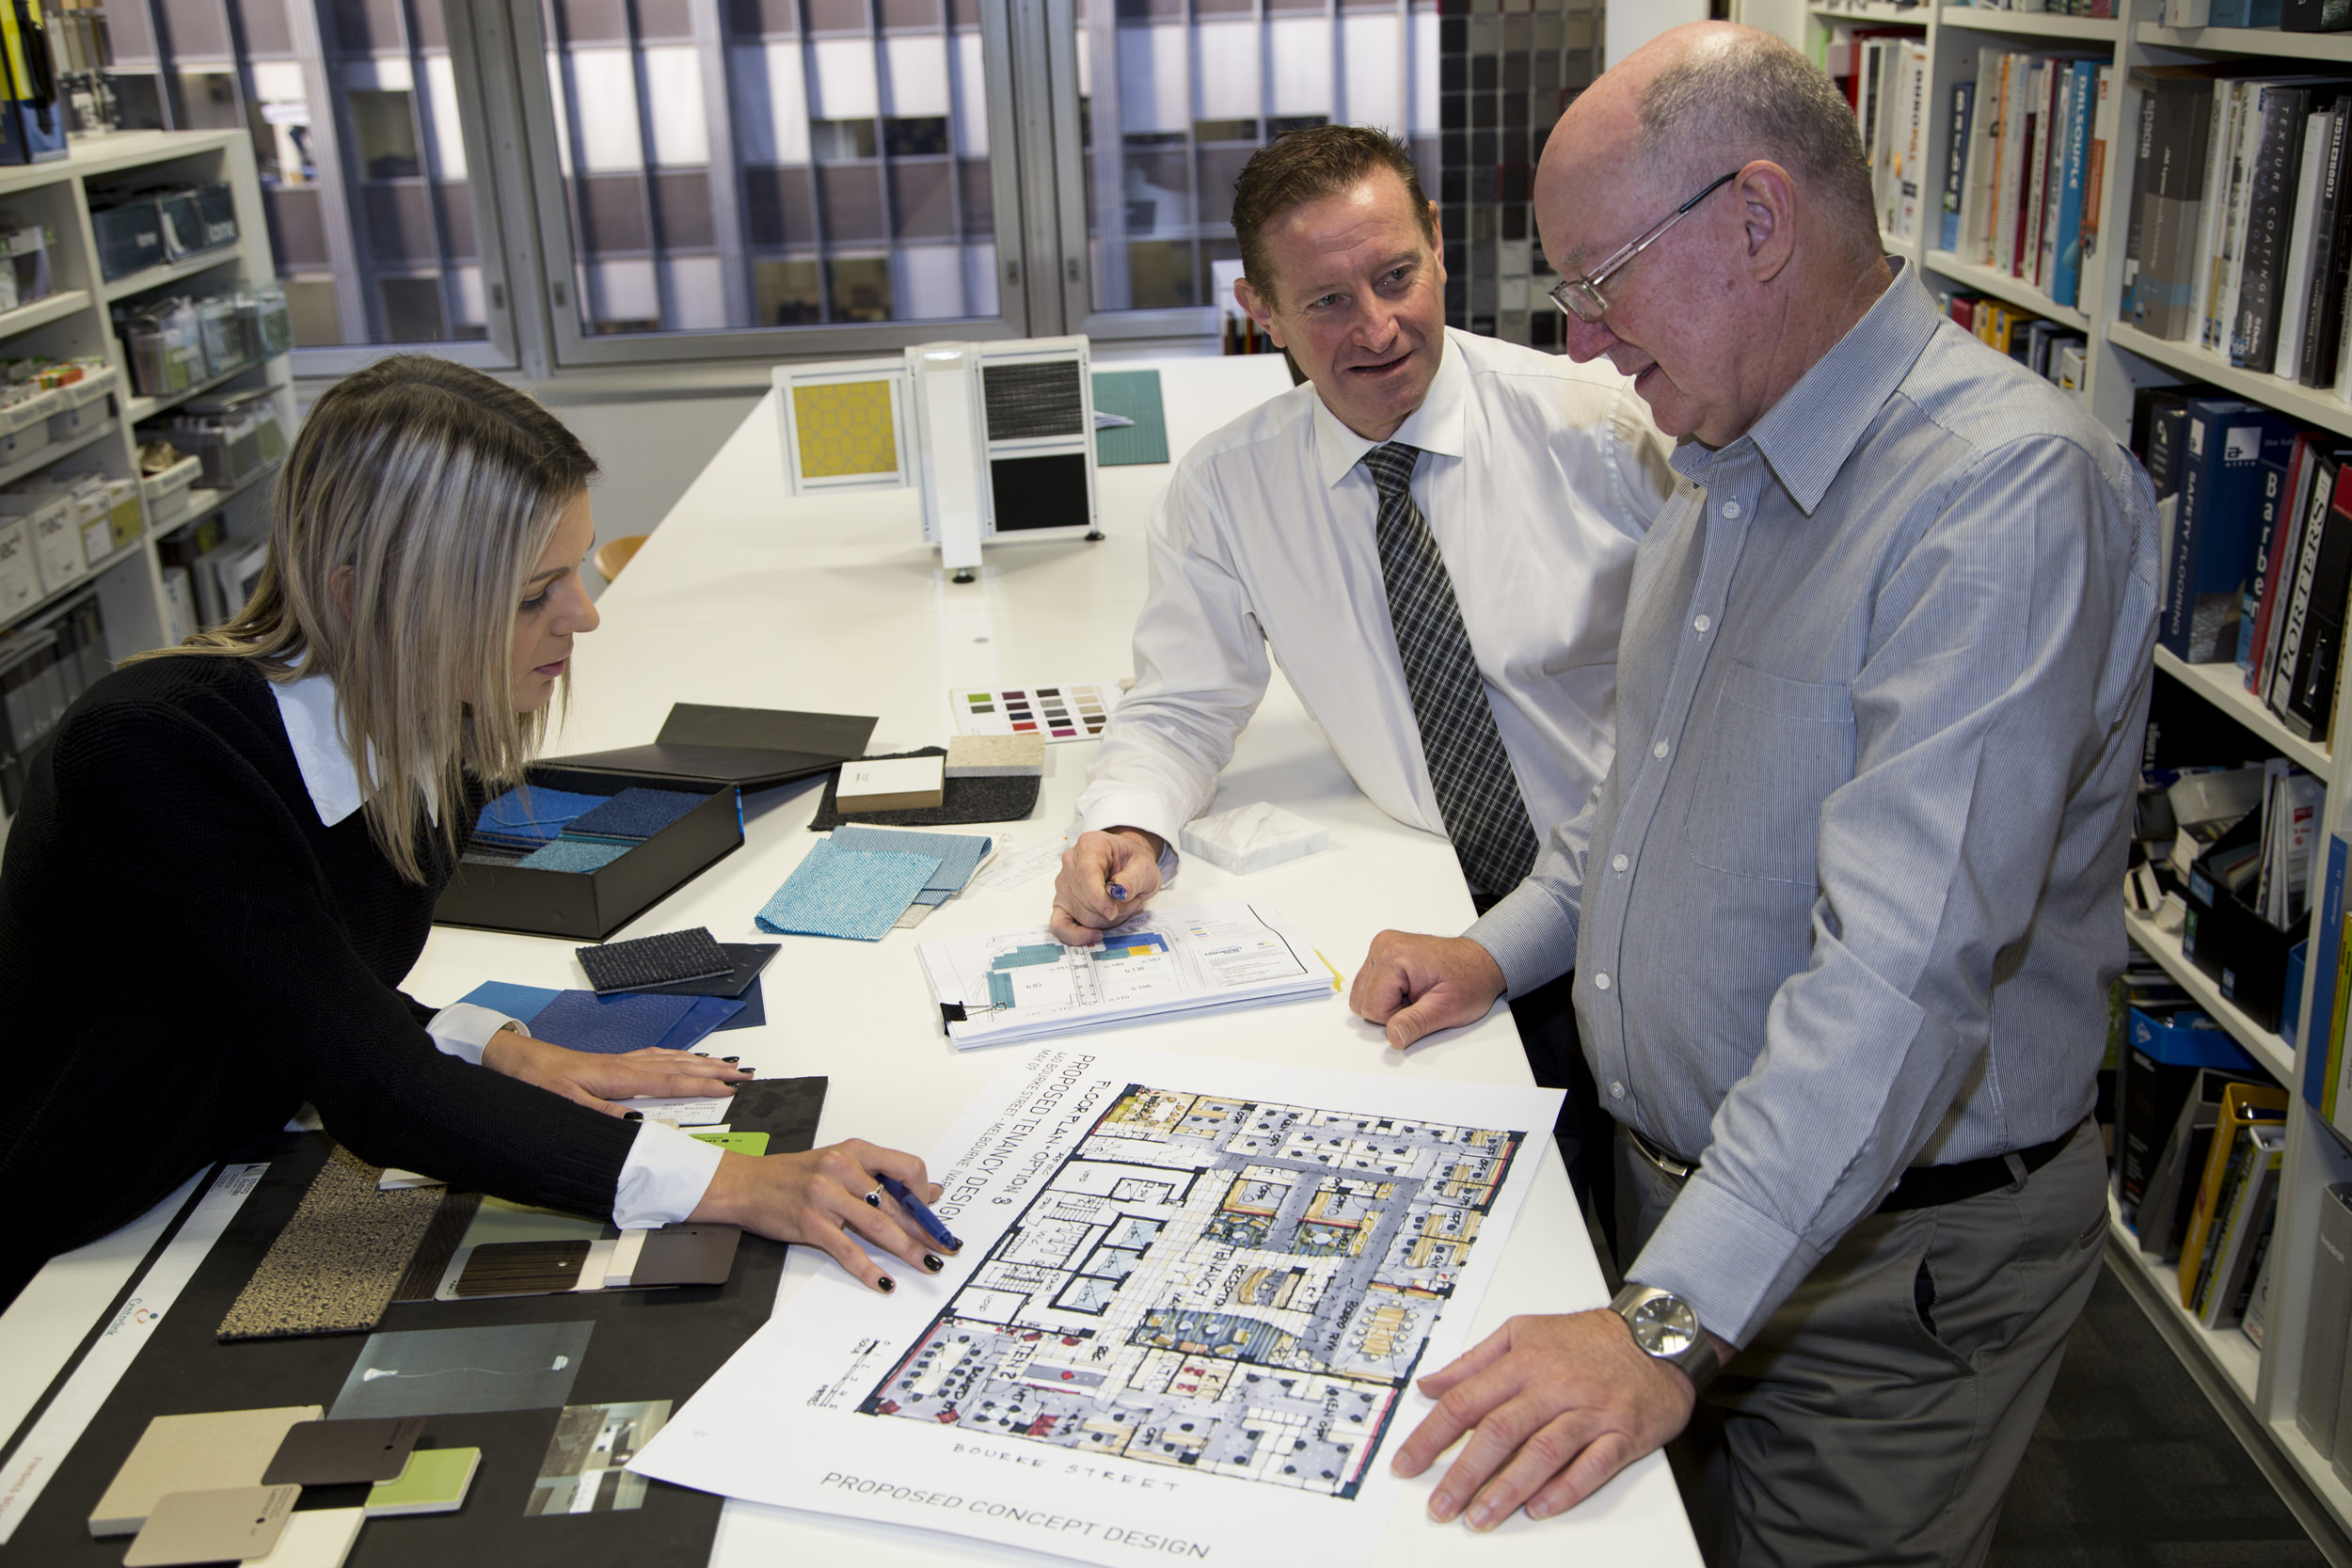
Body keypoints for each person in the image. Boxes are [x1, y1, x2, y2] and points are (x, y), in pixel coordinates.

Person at [1350, 24, 2156, 1564]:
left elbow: (1901, 977)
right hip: (1699, 1216)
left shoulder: (1996, 498)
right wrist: (1493, 950)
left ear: (1760, 219)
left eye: (1601, 280)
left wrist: (1665, 1316)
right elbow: (1639, 813)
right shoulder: (1721, 452)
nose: (1585, 339)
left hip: (1882, 1278)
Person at [0, 355, 947, 1313]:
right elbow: (368, 1083)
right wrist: (740, 1184)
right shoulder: (150, 755)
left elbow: (298, 991)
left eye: (575, 570)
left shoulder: (432, 721)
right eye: (533, 593)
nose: (583, 615)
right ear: (362, 596)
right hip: (53, 1257)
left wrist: (497, 1046)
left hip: (193, 1190)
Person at [1047, 124, 1674, 1191]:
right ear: (1260, 309)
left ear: (1438, 244)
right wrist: (1129, 821)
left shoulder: (1605, 431)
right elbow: (1185, 700)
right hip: (1440, 920)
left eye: (1395, 276)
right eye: (1329, 301)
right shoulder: (1229, 487)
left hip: (1638, 904)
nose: (1378, 329)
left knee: (1644, 1195)